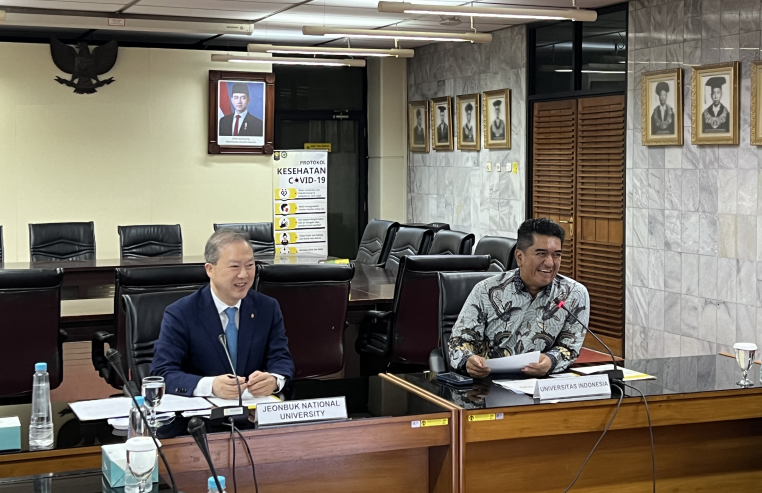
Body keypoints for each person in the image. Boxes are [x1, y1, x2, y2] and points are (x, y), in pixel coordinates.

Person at [151, 229, 294, 398]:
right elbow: (162, 373)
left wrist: (274, 380)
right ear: (210, 269)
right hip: (201, 419)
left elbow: (281, 358)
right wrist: (210, 386)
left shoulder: (267, 307)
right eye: (234, 267)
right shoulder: (181, 313)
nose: (244, 274)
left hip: (253, 413)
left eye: (250, 265)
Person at [448, 218, 590, 378]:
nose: (550, 263)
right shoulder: (486, 290)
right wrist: (468, 360)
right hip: (488, 385)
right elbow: (458, 343)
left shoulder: (574, 293)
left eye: (556, 255)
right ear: (519, 257)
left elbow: (570, 347)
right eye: (541, 254)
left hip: (542, 385)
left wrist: (551, 361)